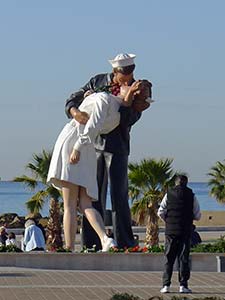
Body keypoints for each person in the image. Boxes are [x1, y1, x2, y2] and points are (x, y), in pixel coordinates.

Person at [65, 53, 152, 250]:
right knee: (93, 194)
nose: (128, 78)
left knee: (119, 194)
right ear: (115, 72)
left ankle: (125, 241)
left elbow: (129, 119)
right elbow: (72, 99)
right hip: (92, 145)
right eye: (124, 74)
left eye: (131, 73)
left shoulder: (139, 88)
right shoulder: (97, 81)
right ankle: (91, 241)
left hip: (118, 146)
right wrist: (75, 112)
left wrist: (130, 100)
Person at [48, 78, 144, 251]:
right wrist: (78, 107)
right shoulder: (116, 112)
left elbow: (92, 126)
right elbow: (79, 105)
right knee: (85, 204)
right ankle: (104, 239)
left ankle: (70, 247)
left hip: (76, 144)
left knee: (70, 204)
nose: (123, 87)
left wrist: (77, 147)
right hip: (89, 149)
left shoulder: (104, 99)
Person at [158, 175, 201, 294]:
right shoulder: (191, 195)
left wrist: (168, 221)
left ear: (175, 183)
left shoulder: (169, 194)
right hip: (185, 231)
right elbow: (197, 215)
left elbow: (160, 211)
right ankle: (183, 285)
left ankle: (166, 285)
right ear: (186, 183)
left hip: (170, 232)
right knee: (184, 259)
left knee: (169, 258)